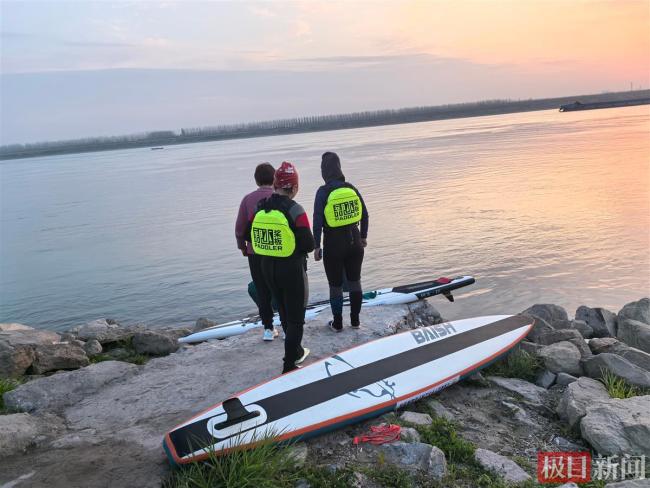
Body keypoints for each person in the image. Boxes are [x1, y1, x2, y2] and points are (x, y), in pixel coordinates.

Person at [249, 161, 315, 373]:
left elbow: (252, 235)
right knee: (296, 318)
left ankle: (295, 352)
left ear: (276, 184)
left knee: (284, 312)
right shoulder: (296, 210)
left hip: (267, 267)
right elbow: (309, 244)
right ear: (294, 188)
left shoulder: (262, 207)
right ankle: (290, 363)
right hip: (291, 268)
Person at [313, 152, 369, 331]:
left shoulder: (323, 192)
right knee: (355, 281)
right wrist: (363, 236)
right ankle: (355, 321)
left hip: (333, 244)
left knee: (335, 285)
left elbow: (317, 220)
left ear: (324, 171)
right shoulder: (350, 188)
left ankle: (337, 323)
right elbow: (365, 214)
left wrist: (316, 245)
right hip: (355, 242)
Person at [235, 162, 278, 341]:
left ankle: (268, 329)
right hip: (278, 251)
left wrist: (243, 247)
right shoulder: (280, 196)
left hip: (255, 252)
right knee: (281, 288)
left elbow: (239, 228)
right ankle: (286, 324)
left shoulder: (247, 199)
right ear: (274, 178)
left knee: (262, 290)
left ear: (256, 180)